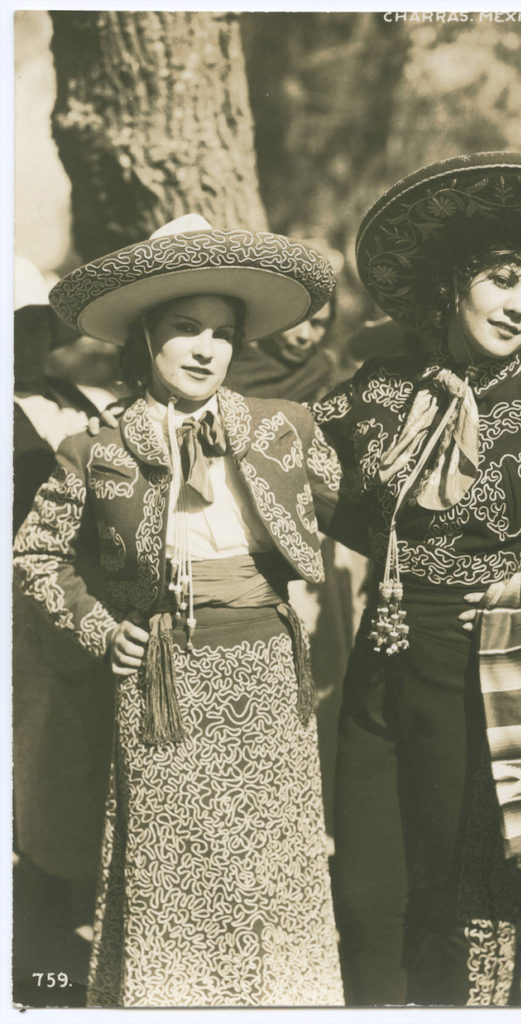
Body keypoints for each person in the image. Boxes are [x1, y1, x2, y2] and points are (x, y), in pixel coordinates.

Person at [307, 153, 521, 1006]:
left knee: (460, 896)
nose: (519, 308)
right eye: (502, 282)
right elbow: (296, 472)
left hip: (481, 677)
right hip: (379, 666)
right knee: (368, 892)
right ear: (456, 281)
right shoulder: (378, 391)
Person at [13, 215, 352, 1008]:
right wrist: (104, 630)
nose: (205, 349)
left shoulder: (284, 428)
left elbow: (368, 508)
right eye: (184, 329)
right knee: (175, 884)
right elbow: (35, 556)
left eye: (222, 333)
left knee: (273, 878)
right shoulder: (95, 452)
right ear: (146, 338)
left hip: (269, 680)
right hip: (164, 687)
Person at [13, 257, 116, 1005]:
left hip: (68, 613)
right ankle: (33, 974)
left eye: (33, 321)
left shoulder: (81, 403)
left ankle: (70, 961)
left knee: (67, 780)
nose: (24, 336)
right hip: (15, 626)